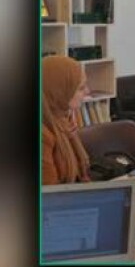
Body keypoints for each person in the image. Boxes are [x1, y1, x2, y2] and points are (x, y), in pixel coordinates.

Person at [42, 56, 91, 185]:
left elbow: (81, 175)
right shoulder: (42, 136)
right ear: (58, 91)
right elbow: (49, 193)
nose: (87, 91)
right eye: (81, 88)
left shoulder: (63, 120)